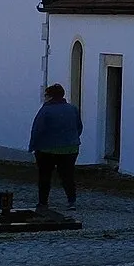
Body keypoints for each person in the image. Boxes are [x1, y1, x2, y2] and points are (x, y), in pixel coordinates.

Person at [29, 82, 82, 212]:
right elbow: (79, 127)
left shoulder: (45, 110)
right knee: (67, 176)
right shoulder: (73, 109)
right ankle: (71, 201)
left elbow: (37, 129)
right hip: (70, 148)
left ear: (50, 96)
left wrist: (33, 146)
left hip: (47, 149)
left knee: (45, 176)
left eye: (45, 95)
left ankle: (43, 203)